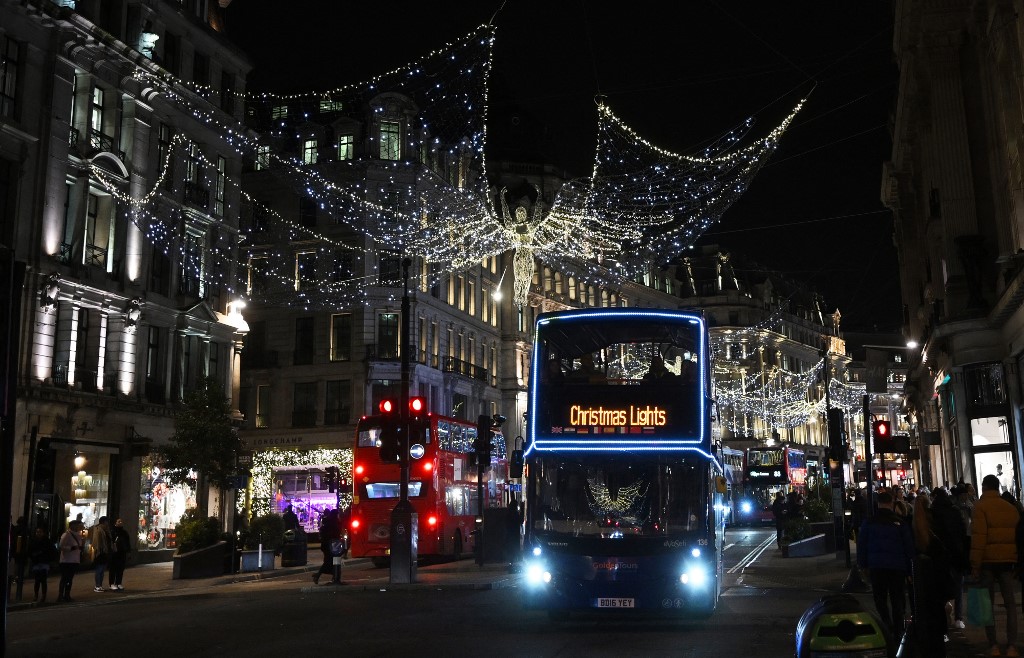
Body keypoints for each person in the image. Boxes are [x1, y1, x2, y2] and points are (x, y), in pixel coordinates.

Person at [971, 473, 1021, 657]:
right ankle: (1012, 646)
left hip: (987, 563)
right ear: (998, 487)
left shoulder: (980, 507)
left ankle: (993, 645)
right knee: (1010, 604)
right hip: (1008, 562)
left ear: (984, 487)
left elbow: (978, 539)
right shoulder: (1011, 508)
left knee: (986, 604)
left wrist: (975, 565)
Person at [857, 490, 915, 641]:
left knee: (880, 597)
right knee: (897, 597)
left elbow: (862, 545)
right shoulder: (900, 523)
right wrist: (910, 569)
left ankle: (886, 623)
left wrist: (863, 565)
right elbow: (908, 547)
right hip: (897, 567)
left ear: (878, 504)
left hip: (876, 566)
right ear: (891, 503)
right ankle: (898, 628)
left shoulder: (869, 522)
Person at [911, 493, 954, 656]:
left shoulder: (913, 525)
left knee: (925, 619)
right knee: (939, 619)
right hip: (938, 581)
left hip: (921, 584)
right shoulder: (936, 524)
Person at [932, 487, 970, 631]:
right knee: (958, 586)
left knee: (941, 587)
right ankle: (958, 618)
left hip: (940, 556)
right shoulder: (954, 512)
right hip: (956, 554)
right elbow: (963, 532)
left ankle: (943, 618)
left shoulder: (933, 513)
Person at [57, 520, 85, 602]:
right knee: (64, 578)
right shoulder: (66, 535)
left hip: (74, 560)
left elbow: (78, 546)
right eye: (77, 525)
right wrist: (71, 548)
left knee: (69, 579)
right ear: (72, 526)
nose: (78, 527)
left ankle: (67, 594)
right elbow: (60, 546)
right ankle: (60, 595)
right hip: (66, 560)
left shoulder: (78, 535)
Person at [313, 508, 341, 585]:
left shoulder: (329, 522)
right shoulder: (333, 523)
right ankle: (333, 576)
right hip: (330, 545)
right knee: (329, 561)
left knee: (330, 561)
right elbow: (334, 534)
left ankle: (332, 576)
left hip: (328, 545)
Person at [28, 526, 55, 603]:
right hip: (37, 562)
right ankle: (36, 595)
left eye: (40, 532)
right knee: (37, 580)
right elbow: (30, 551)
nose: (38, 533)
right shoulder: (34, 541)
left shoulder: (46, 541)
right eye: (37, 532)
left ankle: (43, 595)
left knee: (43, 580)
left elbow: (51, 551)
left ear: (43, 533)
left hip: (43, 562)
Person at [90, 516, 112, 592]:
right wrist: (98, 550)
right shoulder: (98, 529)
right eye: (107, 521)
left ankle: (100, 585)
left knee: (102, 570)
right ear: (104, 522)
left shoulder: (106, 530)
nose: (108, 523)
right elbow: (96, 542)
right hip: (100, 552)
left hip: (105, 552)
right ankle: (97, 586)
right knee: (99, 570)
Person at [108, 518, 131, 591]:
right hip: (114, 553)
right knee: (113, 568)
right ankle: (112, 583)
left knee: (120, 568)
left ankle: (118, 583)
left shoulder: (124, 532)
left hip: (122, 552)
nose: (120, 522)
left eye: (121, 521)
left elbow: (128, 542)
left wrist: (128, 551)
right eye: (119, 521)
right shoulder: (112, 532)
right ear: (115, 523)